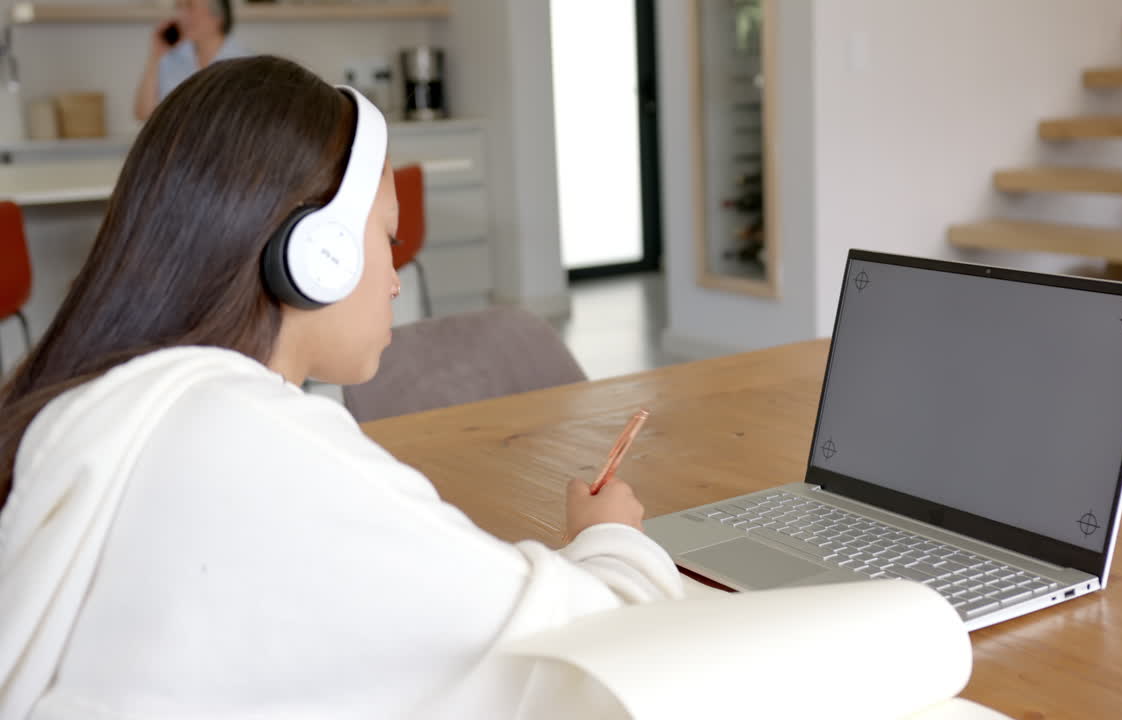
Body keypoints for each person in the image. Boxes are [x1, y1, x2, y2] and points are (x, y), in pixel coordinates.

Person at [0, 56, 682, 718]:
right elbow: (594, 652)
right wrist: (612, 541)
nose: (392, 280)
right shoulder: (254, 445)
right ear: (316, 254)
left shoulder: (94, 407)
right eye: (386, 236)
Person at [133, 0, 249, 122]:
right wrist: (156, 55)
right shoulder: (172, 56)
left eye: (190, 6)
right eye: (179, 7)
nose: (181, 15)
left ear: (217, 15)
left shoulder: (245, 64)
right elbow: (144, 114)